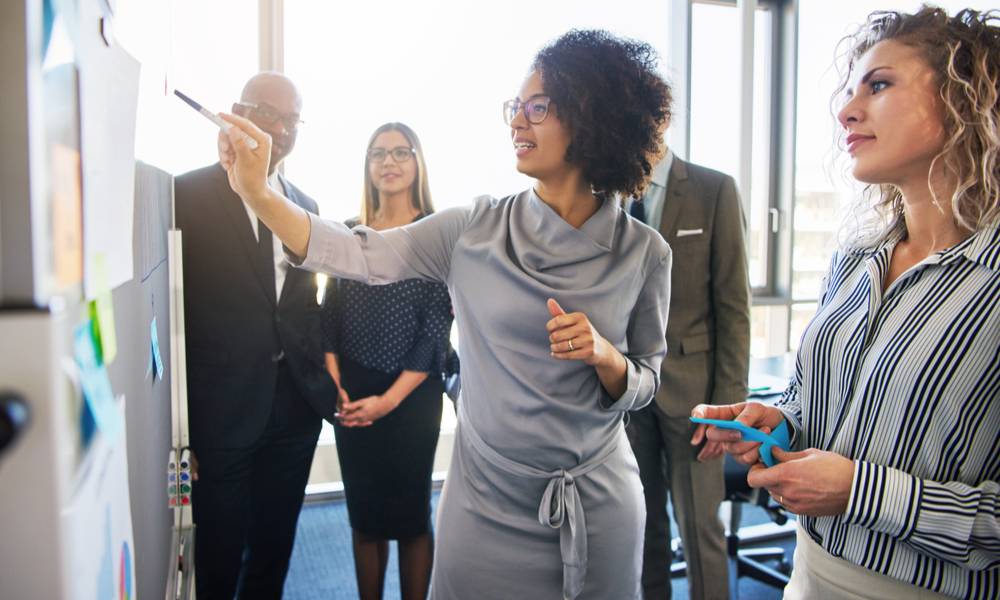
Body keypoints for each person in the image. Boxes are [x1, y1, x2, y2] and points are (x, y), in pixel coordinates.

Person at [219, 29, 673, 600]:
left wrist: (607, 356)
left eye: (538, 108)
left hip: (596, 504)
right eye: (516, 107)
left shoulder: (646, 253)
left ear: (592, 118)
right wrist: (259, 194)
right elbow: (355, 251)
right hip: (487, 501)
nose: (517, 122)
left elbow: (646, 383)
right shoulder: (472, 229)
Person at [693, 6, 1000, 599]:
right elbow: (814, 399)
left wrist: (862, 492)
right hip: (808, 573)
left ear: (968, 99)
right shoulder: (857, 257)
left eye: (879, 84)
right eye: (851, 89)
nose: (847, 110)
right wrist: (779, 421)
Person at [175, 72, 338, 599]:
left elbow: (302, 305)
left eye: (291, 120)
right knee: (218, 555)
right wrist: (181, 428)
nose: (280, 128)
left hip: (294, 406)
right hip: (221, 412)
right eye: (267, 113)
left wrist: (322, 377)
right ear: (236, 112)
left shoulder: (305, 205)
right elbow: (172, 315)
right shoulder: (185, 194)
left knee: (273, 550)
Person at [322, 122, 454, 600]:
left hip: (413, 395)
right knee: (365, 516)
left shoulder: (436, 232)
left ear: (418, 162)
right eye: (378, 153)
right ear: (367, 165)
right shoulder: (349, 232)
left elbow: (435, 333)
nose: (389, 162)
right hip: (351, 392)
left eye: (401, 152)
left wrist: (387, 402)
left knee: (412, 517)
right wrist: (335, 385)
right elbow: (330, 314)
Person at [625, 147, 750, 598]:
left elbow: (734, 309)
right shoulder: (605, 191)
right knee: (642, 527)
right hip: (626, 395)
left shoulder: (713, 189)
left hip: (696, 399)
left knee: (700, 530)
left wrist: (726, 409)